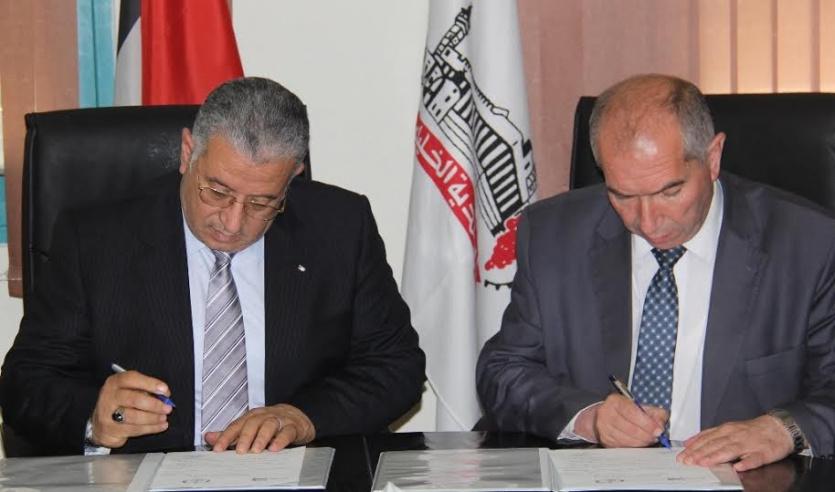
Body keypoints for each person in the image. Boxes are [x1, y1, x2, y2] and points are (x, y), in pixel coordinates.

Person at [0, 77, 425, 455]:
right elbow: (27, 381)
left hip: (290, 474)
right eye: (217, 192)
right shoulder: (96, 238)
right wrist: (95, 416)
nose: (233, 222)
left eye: (261, 203)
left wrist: (304, 418)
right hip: (145, 478)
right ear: (188, 153)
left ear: (292, 177)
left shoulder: (341, 228)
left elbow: (397, 366)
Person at [476, 74, 835, 471]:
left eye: (669, 191)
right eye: (623, 195)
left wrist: (785, 429)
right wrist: (589, 418)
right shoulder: (553, 235)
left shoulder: (809, 245)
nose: (647, 221)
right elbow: (503, 371)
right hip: (601, 478)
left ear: (713, 157)